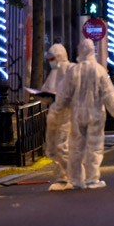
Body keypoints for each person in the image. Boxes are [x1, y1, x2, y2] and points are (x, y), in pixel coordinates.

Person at [50, 39, 114, 189]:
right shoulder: (99, 71)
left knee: (76, 148)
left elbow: (64, 95)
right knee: (94, 146)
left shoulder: (74, 71)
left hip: (77, 114)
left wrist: (56, 110)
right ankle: (92, 179)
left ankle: (77, 180)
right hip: (96, 114)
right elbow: (108, 95)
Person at [41, 44, 74, 191]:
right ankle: (62, 177)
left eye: (53, 58)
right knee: (55, 146)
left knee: (63, 146)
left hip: (68, 114)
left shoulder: (70, 70)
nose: (51, 62)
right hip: (57, 115)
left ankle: (71, 176)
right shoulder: (55, 72)